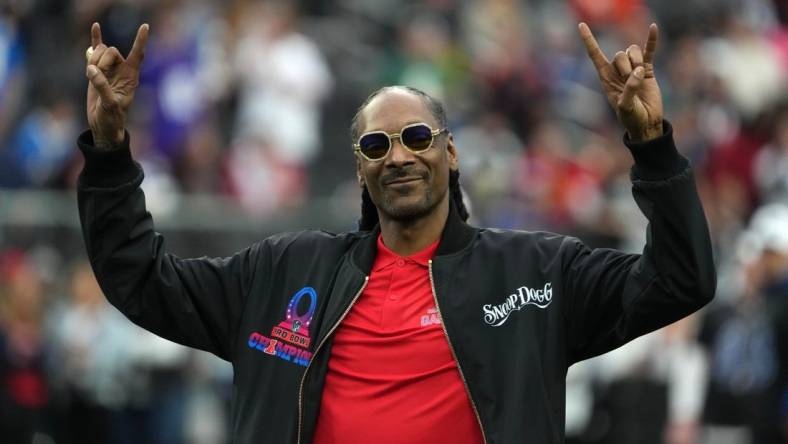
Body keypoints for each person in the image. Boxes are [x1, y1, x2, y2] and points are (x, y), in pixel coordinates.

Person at [77, 20, 715, 444]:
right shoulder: (282, 273)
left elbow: (680, 281)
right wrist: (108, 149)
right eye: (376, 145)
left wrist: (651, 144)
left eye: (416, 138)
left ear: (451, 153)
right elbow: (139, 279)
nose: (398, 157)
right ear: (359, 167)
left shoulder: (536, 274)